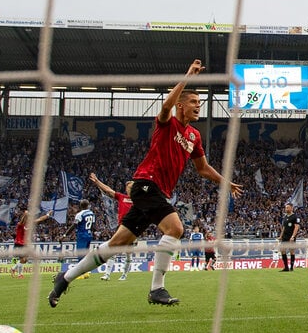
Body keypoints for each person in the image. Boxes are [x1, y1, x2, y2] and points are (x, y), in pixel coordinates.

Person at [49, 59, 243, 308]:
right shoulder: (167, 123)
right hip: (146, 184)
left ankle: (64, 278)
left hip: (158, 191)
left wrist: (225, 182)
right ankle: (157, 289)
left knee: (117, 243)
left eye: (199, 103)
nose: (198, 106)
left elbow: (202, 168)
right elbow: (166, 106)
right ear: (181, 106)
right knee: (175, 228)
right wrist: (188, 75)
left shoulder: (194, 136)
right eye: (194, 102)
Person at [89, 172, 135, 281]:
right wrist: (97, 181)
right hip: (121, 228)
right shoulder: (122, 197)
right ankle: (107, 274)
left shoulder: (138, 200)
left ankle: (124, 274)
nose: (129, 189)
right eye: (128, 187)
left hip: (132, 229)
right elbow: (108, 190)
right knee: (112, 250)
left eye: (131, 187)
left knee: (128, 254)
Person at [10, 208, 52, 278]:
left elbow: (40, 219)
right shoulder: (20, 224)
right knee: (22, 259)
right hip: (18, 243)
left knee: (25, 260)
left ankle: (13, 268)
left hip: (24, 244)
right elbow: (23, 219)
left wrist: (48, 215)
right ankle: (19, 274)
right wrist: (25, 214)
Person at [64, 199, 96, 279]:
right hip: (89, 235)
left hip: (82, 235)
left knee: (80, 254)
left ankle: (81, 274)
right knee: (85, 255)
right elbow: (93, 226)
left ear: (80, 206)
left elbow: (74, 225)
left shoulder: (80, 214)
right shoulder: (91, 213)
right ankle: (86, 273)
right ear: (88, 205)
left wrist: (64, 235)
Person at [278, 202, 300, 271]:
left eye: (287, 207)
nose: (286, 209)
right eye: (285, 208)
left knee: (292, 251)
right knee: (283, 251)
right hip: (284, 237)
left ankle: (291, 267)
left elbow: (296, 227)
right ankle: (286, 267)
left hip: (291, 237)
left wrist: (293, 236)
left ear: (291, 208)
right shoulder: (285, 217)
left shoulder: (295, 217)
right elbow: (283, 227)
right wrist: (281, 236)